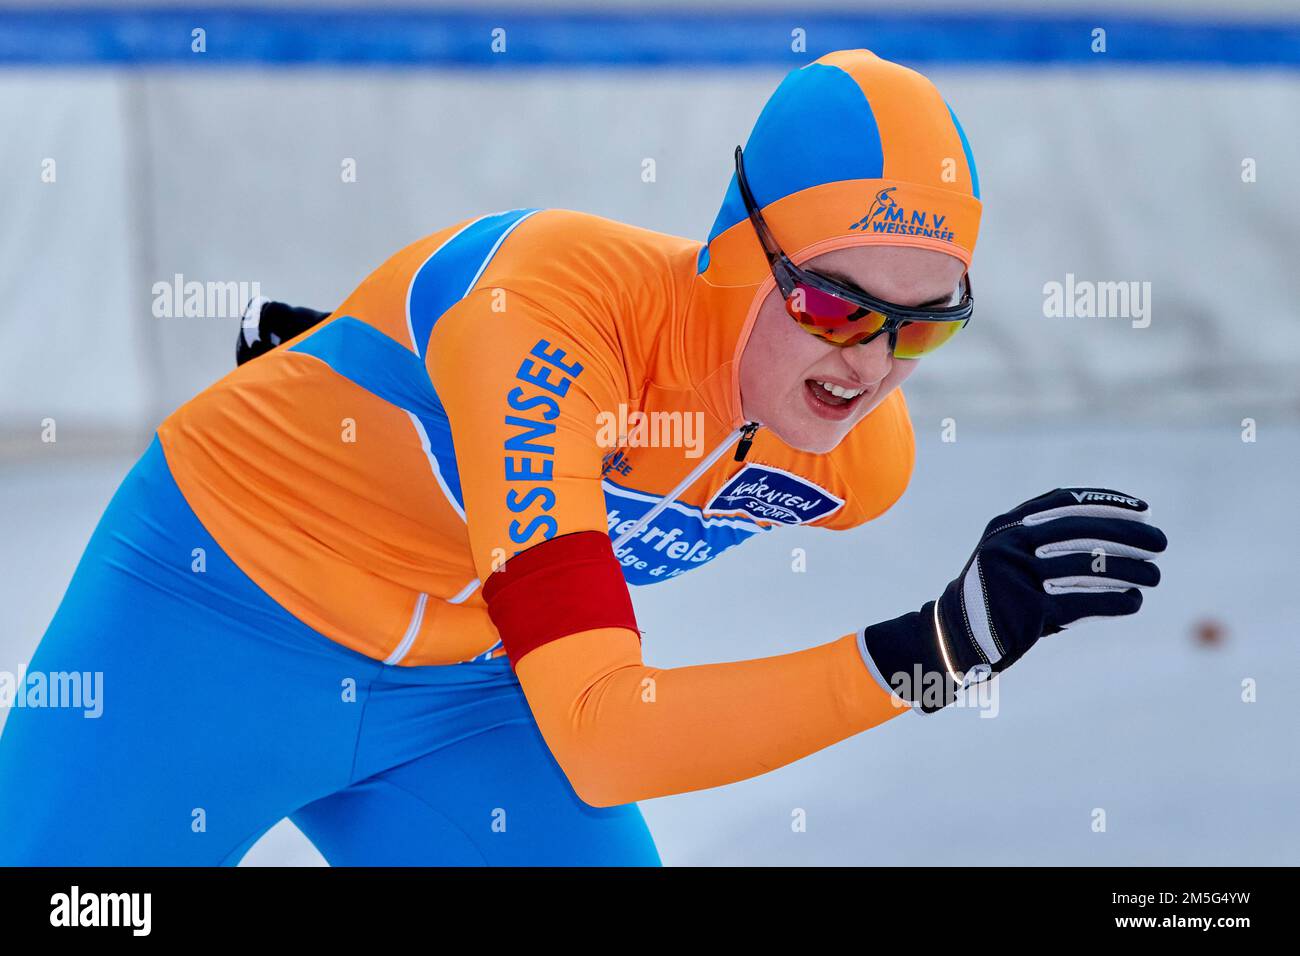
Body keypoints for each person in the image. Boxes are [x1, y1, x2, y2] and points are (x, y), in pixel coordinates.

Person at [0, 49, 1165, 865]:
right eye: (831, 302)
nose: (871, 362)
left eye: (928, 322)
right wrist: (937, 650)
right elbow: (608, 735)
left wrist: (386, 376)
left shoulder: (856, 465)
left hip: (465, 698)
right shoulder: (554, 314)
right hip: (213, 626)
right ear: (735, 251)